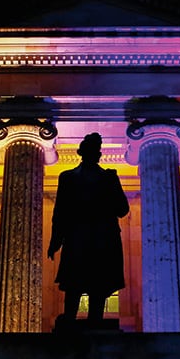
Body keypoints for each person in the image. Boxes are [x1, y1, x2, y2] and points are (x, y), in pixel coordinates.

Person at [47, 132, 129, 326]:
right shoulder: (68, 177)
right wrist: (55, 240)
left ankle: (94, 320)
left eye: (96, 150)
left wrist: (113, 186)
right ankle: (70, 318)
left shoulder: (109, 178)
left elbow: (122, 209)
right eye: (91, 150)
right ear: (82, 153)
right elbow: (60, 211)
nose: (95, 154)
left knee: (98, 283)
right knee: (74, 282)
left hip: (101, 239)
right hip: (78, 237)